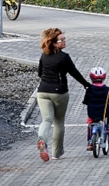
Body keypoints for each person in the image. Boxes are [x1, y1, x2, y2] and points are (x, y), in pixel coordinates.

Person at [37, 28, 91, 162]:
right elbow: (74, 72)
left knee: (46, 119)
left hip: (42, 92)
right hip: (59, 92)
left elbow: (40, 73)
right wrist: (86, 84)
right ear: (55, 43)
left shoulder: (44, 55)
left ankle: (42, 140)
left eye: (64, 38)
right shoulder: (64, 57)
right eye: (62, 40)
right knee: (58, 122)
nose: (65, 41)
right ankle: (56, 152)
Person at [82, 67, 109, 151]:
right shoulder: (106, 90)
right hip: (104, 112)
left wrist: (85, 102)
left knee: (90, 124)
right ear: (104, 77)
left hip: (92, 112)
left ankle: (90, 142)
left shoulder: (89, 89)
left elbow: (86, 100)